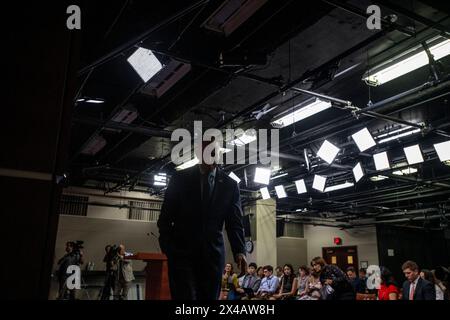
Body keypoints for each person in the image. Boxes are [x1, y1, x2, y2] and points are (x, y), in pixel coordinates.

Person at [157, 139, 247, 300]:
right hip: (181, 254)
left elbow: (234, 223)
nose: (212, 155)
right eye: (207, 151)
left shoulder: (230, 185)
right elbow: (165, 217)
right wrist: (168, 247)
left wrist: (239, 251)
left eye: (215, 152)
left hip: (212, 256)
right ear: (199, 153)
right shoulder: (180, 179)